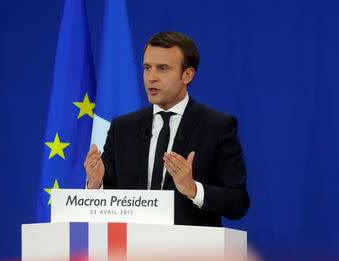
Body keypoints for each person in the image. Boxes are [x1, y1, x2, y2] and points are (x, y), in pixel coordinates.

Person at [84, 31, 249, 227]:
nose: (151, 77)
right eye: (147, 68)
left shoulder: (217, 126)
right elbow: (109, 200)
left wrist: (193, 189)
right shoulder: (123, 128)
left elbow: (238, 202)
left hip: (190, 252)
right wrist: (95, 184)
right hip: (131, 251)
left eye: (162, 68)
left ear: (187, 75)